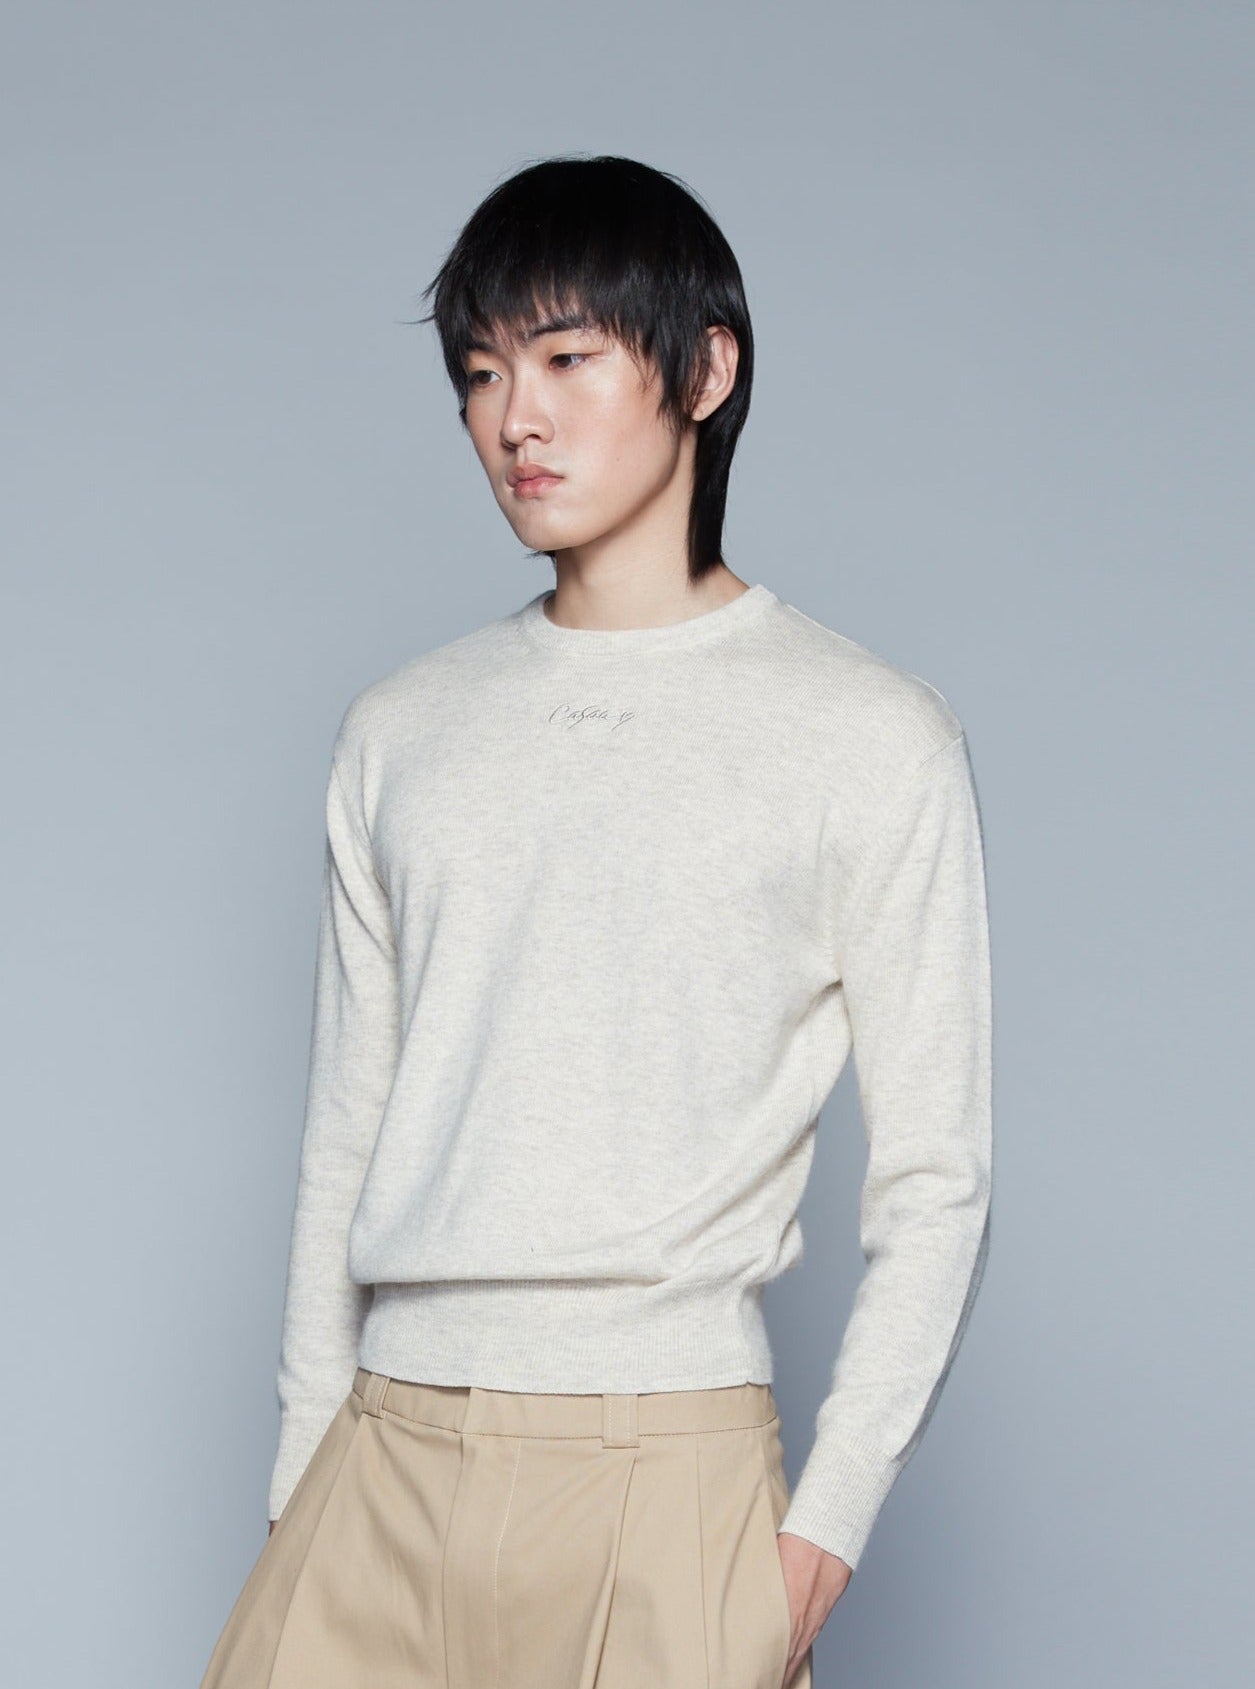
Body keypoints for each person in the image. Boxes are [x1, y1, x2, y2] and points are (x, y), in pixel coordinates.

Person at [199, 153, 993, 1689]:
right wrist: (302, 1472)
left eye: (566, 358)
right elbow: (345, 1134)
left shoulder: (869, 734)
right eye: (482, 373)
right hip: (382, 1453)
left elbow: (936, 1177)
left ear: (706, 371)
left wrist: (825, 1526)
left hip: (671, 1468)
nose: (517, 418)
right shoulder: (402, 732)